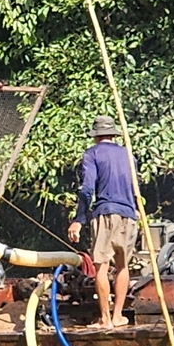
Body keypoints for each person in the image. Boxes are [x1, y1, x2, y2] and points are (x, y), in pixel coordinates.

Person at [67, 115, 139, 328]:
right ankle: (118, 315)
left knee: (101, 265)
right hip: (129, 214)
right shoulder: (129, 155)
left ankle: (105, 319)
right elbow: (135, 188)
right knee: (122, 265)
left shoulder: (92, 154)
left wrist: (79, 219)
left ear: (96, 136)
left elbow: (88, 189)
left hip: (106, 212)